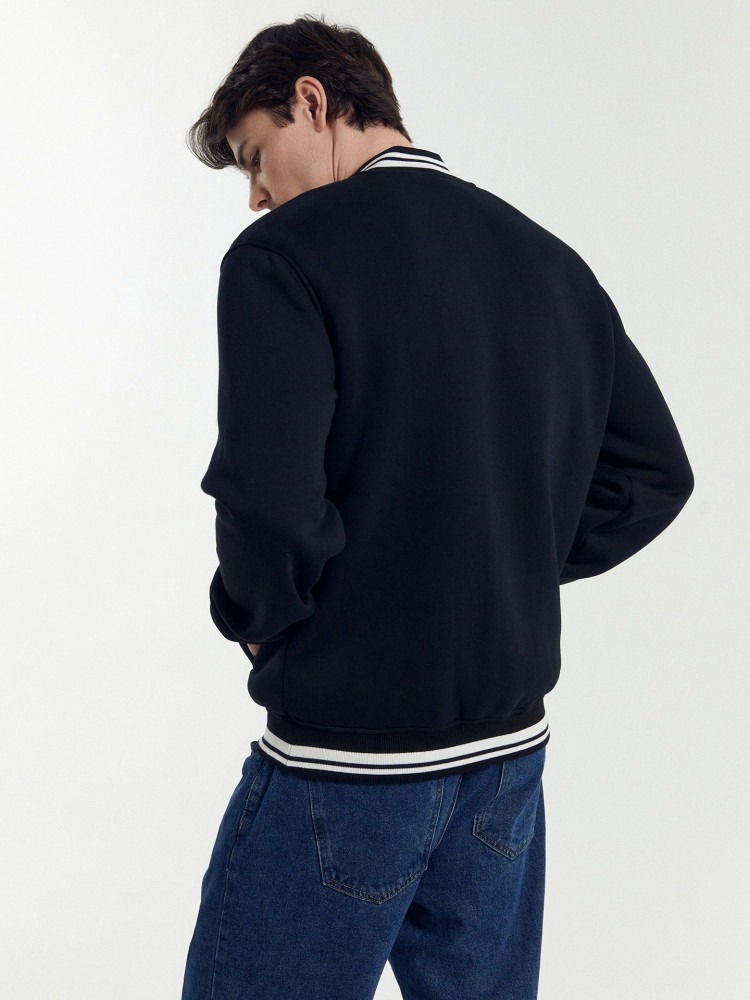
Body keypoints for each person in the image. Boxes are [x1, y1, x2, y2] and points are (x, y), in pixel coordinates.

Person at [181, 14, 695, 1000]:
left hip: (350, 757)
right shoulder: (548, 261)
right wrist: (503, 556)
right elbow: (652, 475)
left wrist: (254, 615)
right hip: (505, 760)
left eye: (254, 156)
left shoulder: (283, 256)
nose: (255, 195)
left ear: (312, 101)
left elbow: (269, 502)